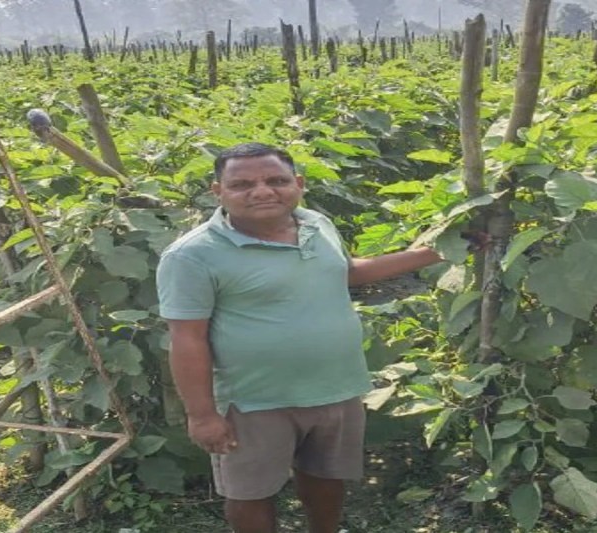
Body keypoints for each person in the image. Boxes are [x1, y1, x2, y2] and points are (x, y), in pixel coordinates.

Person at [156, 142, 445, 533]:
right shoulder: (192, 255)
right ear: (218, 191)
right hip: (254, 401)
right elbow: (187, 338)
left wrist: (435, 251)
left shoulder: (315, 224)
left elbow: (347, 272)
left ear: (299, 184)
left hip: (335, 389)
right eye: (242, 185)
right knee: (250, 492)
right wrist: (203, 415)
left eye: (276, 180)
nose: (262, 191)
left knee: (327, 475)